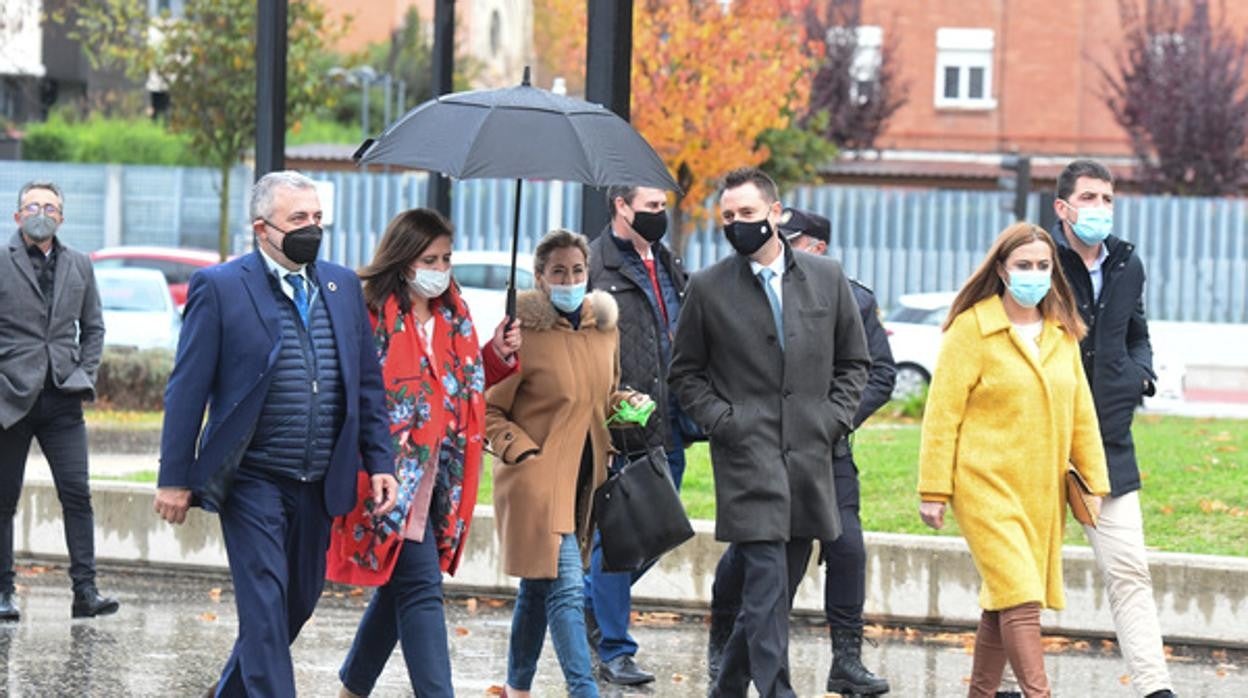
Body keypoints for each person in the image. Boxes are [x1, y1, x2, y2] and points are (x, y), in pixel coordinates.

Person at [153, 171, 398, 697]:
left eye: (317, 219)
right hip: (252, 478)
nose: (312, 229)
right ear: (262, 228)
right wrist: (174, 477)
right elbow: (186, 388)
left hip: (318, 479)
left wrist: (381, 462)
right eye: (298, 220)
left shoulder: (340, 286)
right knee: (264, 605)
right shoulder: (220, 287)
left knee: (295, 604)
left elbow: (366, 385)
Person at [670, 168, 871, 698]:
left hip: (810, 456)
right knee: (763, 580)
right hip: (746, 457)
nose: (738, 225)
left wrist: (832, 418)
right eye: (728, 217)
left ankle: (728, 688)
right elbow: (684, 373)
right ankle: (778, 691)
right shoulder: (709, 287)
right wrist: (723, 421)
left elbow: (855, 362)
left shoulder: (826, 276)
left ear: (776, 214)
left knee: (776, 591)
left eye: (748, 215)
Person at [326, 208, 521, 697]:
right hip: (388, 475)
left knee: (402, 584)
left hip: (440, 479)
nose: (439, 269)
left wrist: (495, 354)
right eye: (429, 258)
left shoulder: (454, 317)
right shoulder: (369, 313)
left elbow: (458, 387)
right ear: (404, 260)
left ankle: (353, 686)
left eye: (446, 258)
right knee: (419, 587)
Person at [704, 207, 896, 695]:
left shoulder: (850, 297)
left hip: (827, 450)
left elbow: (877, 373)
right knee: (753, 561)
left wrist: (834, 420)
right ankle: (724, 642)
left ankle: (845, 659)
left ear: (817, 247)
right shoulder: (752, 293)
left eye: (792, 239)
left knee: (847, 546)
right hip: (767, 450)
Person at [917, 221, 1109, 698]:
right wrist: (934, 490)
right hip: (983, 486)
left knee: (1001, 601)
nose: (1035, 274)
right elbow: (942, 415)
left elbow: (1081, 411)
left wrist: (1094, 483)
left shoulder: (1063, 333)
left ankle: (980, 693)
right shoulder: (972, 329)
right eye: (1024, 265)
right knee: (1021, 595)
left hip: (1039, 490)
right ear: (1002, 269)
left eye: (1043, 266)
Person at [486, 229, 647, 698]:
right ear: (539, 277)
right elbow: (490, 410)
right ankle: (584, 690)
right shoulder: (523, 335)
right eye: (558, 271)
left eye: (577, 270)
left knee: (537, 590)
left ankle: (517, 687)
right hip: (535, 482)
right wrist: (521, 451)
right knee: (567, 591)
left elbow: (601, 397)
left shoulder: (604, 329)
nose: (570, 279)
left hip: (585, 484)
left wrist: (626, 403)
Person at [1050, 159, 1177, 698]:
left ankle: (1155, 688)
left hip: (1108, 446)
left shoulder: (1128, 262)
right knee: (1022, 575)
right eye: (1088, 198)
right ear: (1063, 208)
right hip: (1043, 440)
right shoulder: (1039, 263)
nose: (1099, 208)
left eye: (1106, 198)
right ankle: (1006, 683)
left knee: (1130, 574)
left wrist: (1139, 376)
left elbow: (1136, 332)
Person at [583, 184, 689, 685]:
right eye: (651, 207)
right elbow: (579, 350)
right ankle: (615, 648)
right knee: (621, 540)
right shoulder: (593, 265)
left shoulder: (668, 262)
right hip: (623, 426)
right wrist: (615, 397)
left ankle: (582, 603)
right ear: (621, 206)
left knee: (660, 532)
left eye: (663, 208)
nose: (659, 216)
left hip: (668, 424)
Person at [0, 180, 117, 623]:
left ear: (62, 218)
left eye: (50, 207)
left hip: (63, 399)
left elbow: (94, 328)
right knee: (3, 500)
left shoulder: (80, 265)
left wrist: (84, 372)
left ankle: (85, 592)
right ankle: (3, 593)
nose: (42, 213)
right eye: (33, 206)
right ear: (17, 216)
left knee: (77, 495)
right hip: (9, 399)